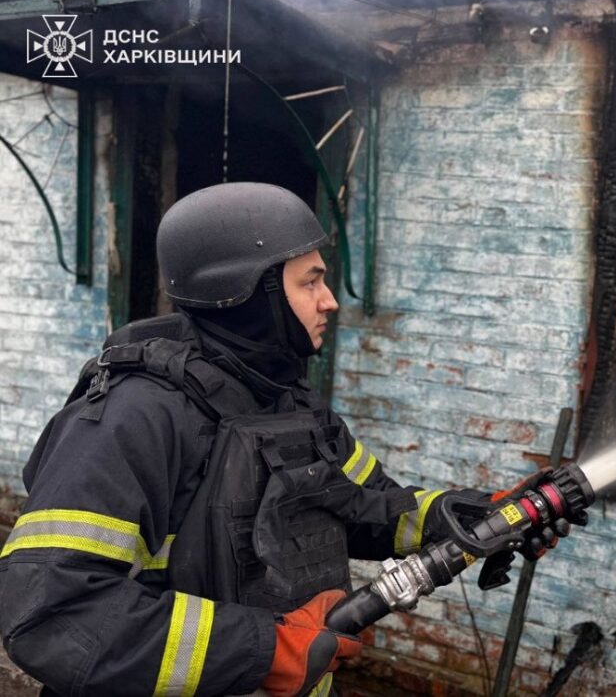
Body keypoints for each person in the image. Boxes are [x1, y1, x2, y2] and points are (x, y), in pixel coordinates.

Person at [0, 183, 530, 697]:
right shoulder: (134, 417)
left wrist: (477, 515)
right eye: (310, 282)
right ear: (251, 291)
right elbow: (53, 615)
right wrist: (267, 650)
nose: (330, 302)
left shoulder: (288, 401)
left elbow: (366, 507)